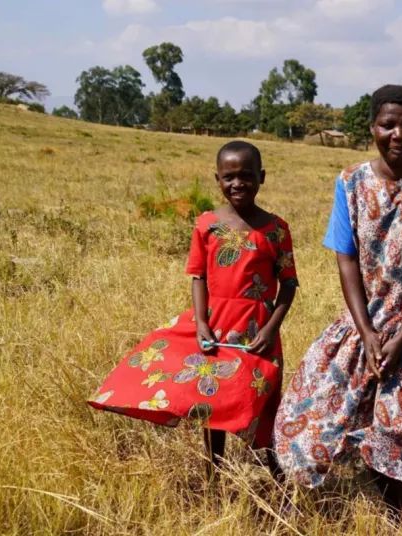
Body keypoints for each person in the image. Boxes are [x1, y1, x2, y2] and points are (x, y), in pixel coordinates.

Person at [273, 84, 402, 528]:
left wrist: (399, 339)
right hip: (361, 328)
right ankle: (292, 512)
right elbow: (346, 259)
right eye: (388, 124)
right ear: (372, 127)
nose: (399, 134)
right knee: (310, 416)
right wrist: (367, 332)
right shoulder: (350, 181)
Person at [89, 140, 297, 479]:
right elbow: (198, 276)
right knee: (209, 400)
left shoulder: (275, 230)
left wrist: (271, 328)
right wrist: (201, 323)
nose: (237, 184)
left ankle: (280, 478)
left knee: (264, 403)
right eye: (229, 177)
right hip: (215, 326)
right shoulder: (206, 225)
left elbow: (288, 284)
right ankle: (212, 473)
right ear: (217, 179)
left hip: (257, 330)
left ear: (262, 177)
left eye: (246, 176)